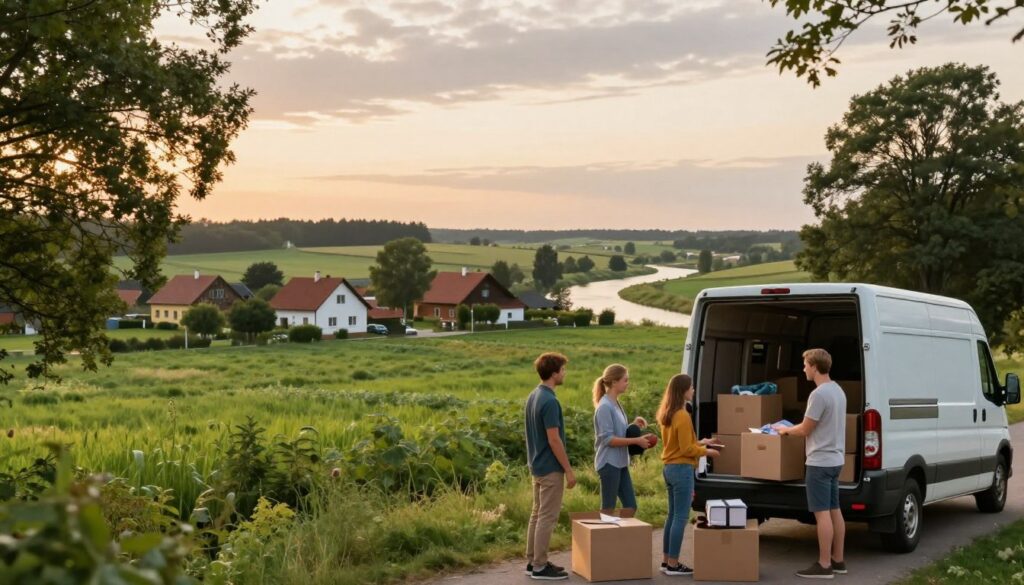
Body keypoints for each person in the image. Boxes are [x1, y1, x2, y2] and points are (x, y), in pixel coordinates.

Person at [775, 348, 848, 579]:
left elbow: (806, 428)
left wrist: (785, 430)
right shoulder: (838, 391)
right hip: (836, 460)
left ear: (815, 366)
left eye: (806, 364)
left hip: (819, 462)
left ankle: (824, 565)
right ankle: (838, 560)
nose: (804, 368)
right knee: (835, 510)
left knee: (821, 514)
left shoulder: (818, 395)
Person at [658, 373, 719, 576]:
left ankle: (666, 561)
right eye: (691, 387)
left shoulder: (669, 412)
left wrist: (702, 442)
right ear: (683, 391)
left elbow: (680, 444)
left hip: (669, 468)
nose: (693, 390)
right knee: (681, 517)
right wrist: (707, 452)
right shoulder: (683, 415)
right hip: (682, 469)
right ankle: (674, 564)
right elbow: (686, 450)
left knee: (672, 516)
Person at [524, 352, 575, 581]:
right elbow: (554, 440)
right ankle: (540, 566)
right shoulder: (550, 401)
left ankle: (533, 559)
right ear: (554, 374)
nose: (564, 373)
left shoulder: (533, 396)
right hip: (550, 468)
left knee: (536, 514)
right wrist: (569, 470)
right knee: (547, 517)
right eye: (563, 370)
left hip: (536, 465)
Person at [592, 364, 653, 516]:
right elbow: (608, 439)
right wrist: (636, 441)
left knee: (630, 507)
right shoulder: (605, 407)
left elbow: (618, 431)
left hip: (620, 463)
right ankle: (603, 539)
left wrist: (633, 424)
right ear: (614, 382)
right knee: (608, 509)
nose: (628, 383)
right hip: (608, 463)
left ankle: (621, 537)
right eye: (625, 380)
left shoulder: (616, 403)